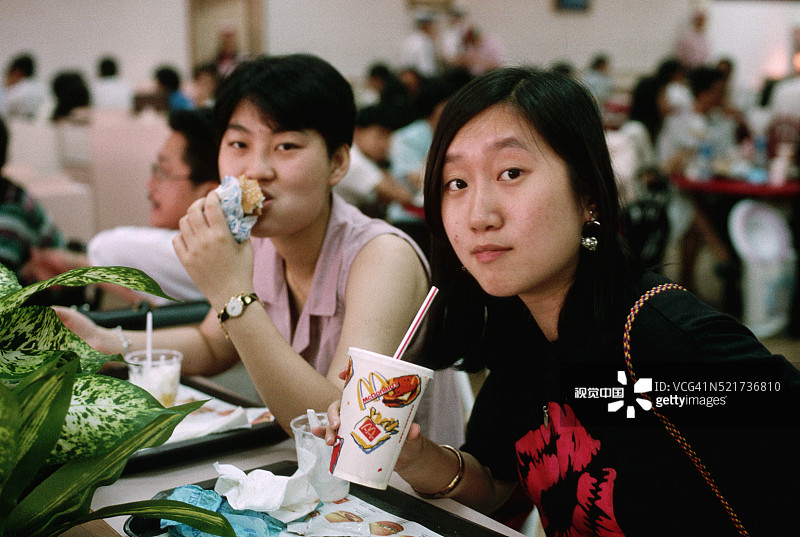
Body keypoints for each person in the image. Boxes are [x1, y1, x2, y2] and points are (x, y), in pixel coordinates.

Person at [319, 67, 800, 536]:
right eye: (456, 183)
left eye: (510, 173)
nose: (477, 215)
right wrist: (413, 455)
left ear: (589, 195)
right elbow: (499, 487)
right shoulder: (520, 327)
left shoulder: (661, 338)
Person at [55, 54, 463, 443]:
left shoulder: (382, 258)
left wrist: (232, 295)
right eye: (238, 144)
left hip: (408, 499)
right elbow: (213, 345)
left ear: (338, 163)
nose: (256, 170)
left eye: (286, 147)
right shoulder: (261, 241)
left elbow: (343, 426)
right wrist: (103, 340)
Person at [29, 108, 219, 306]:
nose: (150, 185)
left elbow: (107, 247)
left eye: (163, 172)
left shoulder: (208, 257)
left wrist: (74, 263)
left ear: (209, 194)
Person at [333, 104, 414, 215]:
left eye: (388, 137)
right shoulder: (353, 160)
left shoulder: (358, 155)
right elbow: (403, 197)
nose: (385, 144)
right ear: (358, 132)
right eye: (380, 135)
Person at [1, 53, 47, 120]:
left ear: (16, 72)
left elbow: (4, 109)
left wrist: (6, 89)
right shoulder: (41, 88)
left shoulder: (17, 90)